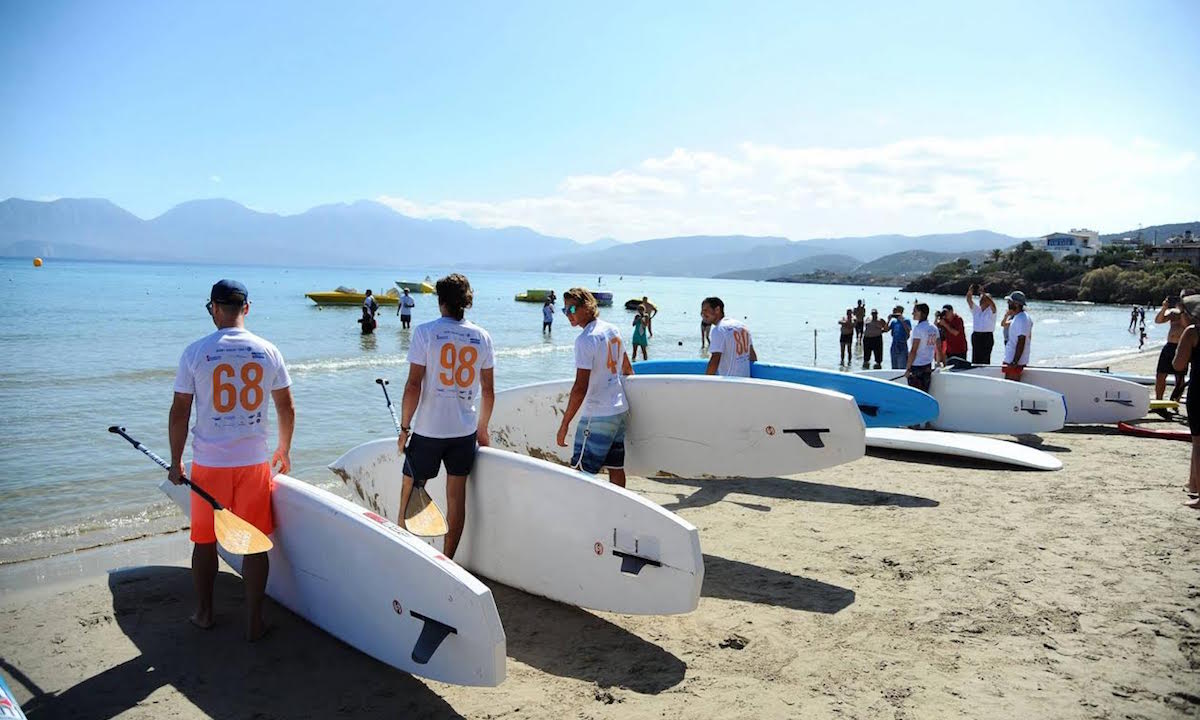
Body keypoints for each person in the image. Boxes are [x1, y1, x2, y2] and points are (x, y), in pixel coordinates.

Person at [169, 279, 295, 641]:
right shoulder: (268, 350)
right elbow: (286, 406)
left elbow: (180, 412)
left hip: (210, 464)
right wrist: (283, 449)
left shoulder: (195, 352)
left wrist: (177, 461)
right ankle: (254, 621)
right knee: (255, 543)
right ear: (247, 309)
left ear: (215, 309)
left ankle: (205, 613)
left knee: (205, 541)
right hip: (254, 463)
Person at [396, 274, 494, 559]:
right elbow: (488, 391)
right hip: (464, 433)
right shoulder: (482, 336)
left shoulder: (426, 332)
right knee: (456, 498)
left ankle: (404, 548)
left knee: (410, 488)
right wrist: (483, 429)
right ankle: (448, 560)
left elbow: (413, 385)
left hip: (429, 431)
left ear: (440, 301)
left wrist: (404, 429)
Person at [555, 287, 633, 487]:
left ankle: (583, 515)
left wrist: (564, 424)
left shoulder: (585, 340)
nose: (568, 315)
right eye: (565, 311)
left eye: (572, 309)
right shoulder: (612, 329)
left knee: (581, 473)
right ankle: (618, 511)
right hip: (619, 410)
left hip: (598, 414)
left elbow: (580, 387)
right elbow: (627, 367)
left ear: (587, 307)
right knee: (616, 467)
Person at [1171, 294, 1200, 508]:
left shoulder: (1192, 332)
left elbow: (1178, 365)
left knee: (1198, 442)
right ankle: (1193, 484)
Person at [703, 296, 755, 376]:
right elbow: (752, 355)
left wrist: (705, 382)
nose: (702, 314)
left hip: (729, 383)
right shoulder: (742, 326)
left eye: (705, 310)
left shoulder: (719, 330)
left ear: (717, 310)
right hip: (745, 381)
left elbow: (715, 360)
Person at [1154, 295, 1189, 401]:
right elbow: (1158, 321)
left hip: (1182, 346)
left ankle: (1175, 400)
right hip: (1169, 346)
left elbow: (1186, 325)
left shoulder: (1189, 314)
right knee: (1160, 374)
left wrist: (1182, 311)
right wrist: (1164, 307)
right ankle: (1159, 400)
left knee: (1179, 377)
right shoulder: (1173, 313)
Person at [904, 302, 939, 393]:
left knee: (914, 395)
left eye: (915, 311)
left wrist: (908, 368)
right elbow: (938, 348)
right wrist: (938, 362)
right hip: (927, 365)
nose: (912, 313)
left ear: (922, 313)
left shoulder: (918, 329)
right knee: (924, 393)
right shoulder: (934, 328)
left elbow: (914, 351)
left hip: (917, 367)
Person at [1002, 290, 1032, 381]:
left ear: (1016, 304)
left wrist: (1015, 362)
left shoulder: (1022, 319)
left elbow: (1021, 340)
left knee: (1010, 387)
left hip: (1014, 361)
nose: (1008, 303)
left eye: (1010, 301)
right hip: (1012, 359)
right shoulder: (1019, 317)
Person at [966, 284, 997, 364]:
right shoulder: (976, 310)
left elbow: (993, 305)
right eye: (981, 298)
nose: (982, 300)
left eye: (984, 299)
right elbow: (969, 300)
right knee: (976, 358)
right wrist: (970, 291)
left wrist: (983, 293)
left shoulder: (991, 311)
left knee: (985, 359)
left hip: (987, 336)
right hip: (976, 336)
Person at [887, 305, 912, 370]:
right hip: (894, 346)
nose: (893, 312)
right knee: (894, 368)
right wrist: (888, 320)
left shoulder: (906, 320)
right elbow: (886, 329)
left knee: (902, 367)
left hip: (902, 346)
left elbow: (908, 331)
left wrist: (902, 321)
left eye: (895, 310)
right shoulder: (894, 322)